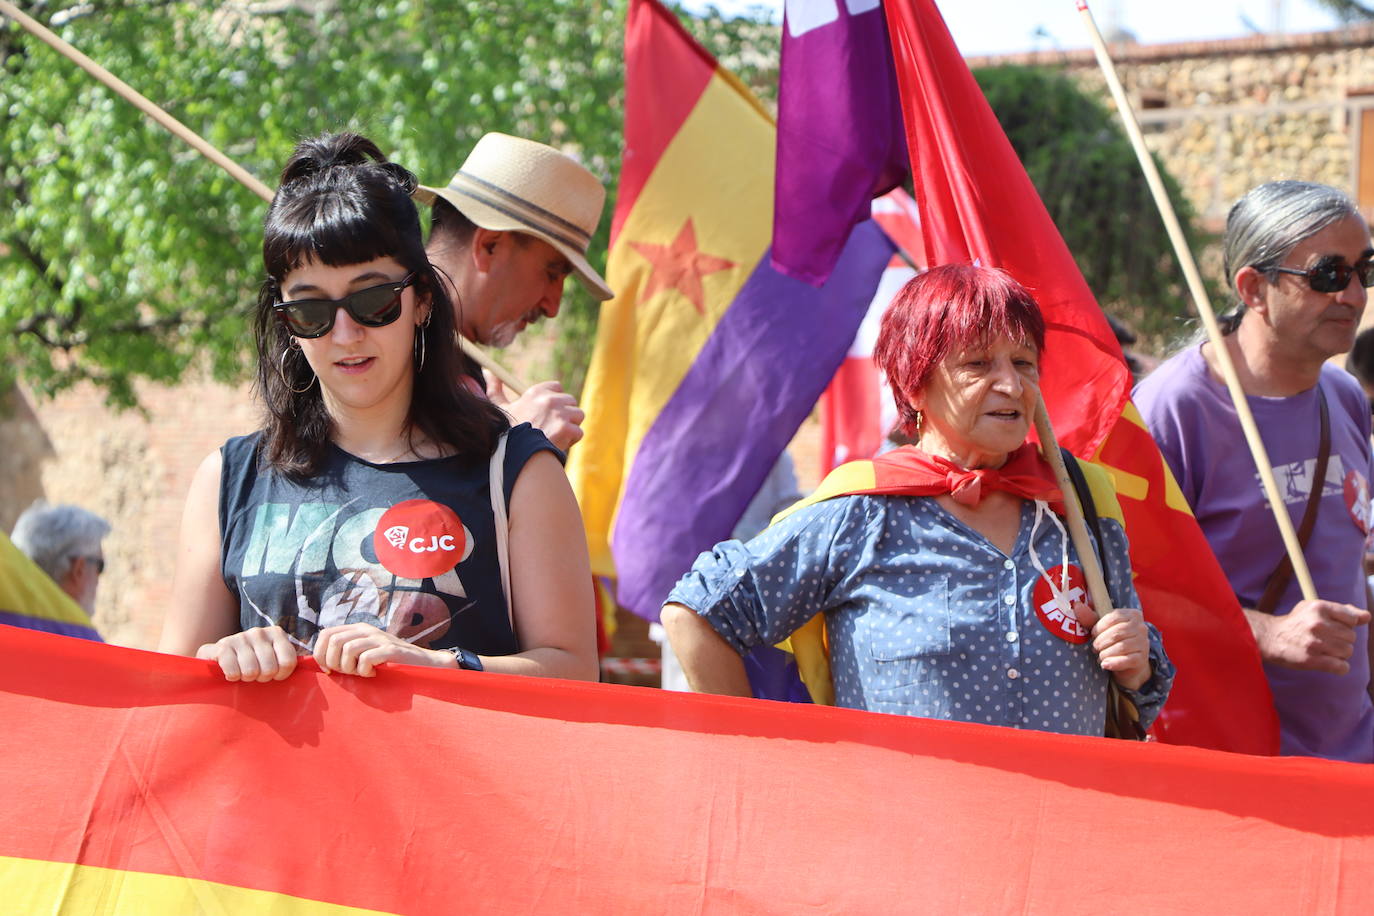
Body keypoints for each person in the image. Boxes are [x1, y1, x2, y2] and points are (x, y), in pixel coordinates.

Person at [159, 132, 597, 683]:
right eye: (311, 309)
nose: (345, 333)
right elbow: (169, 688)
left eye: (373, 300)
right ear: (287, 325)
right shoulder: (228, 478)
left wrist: (435, 664)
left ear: (421, 302)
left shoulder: (518, 472)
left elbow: (574, 675)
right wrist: (221, 659)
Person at [662, 265, 1173, 736]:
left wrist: (1138, 665)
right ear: (915, 383)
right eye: (978, 364)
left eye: (1024, 362)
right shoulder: (860, 511)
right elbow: (697, 614)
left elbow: (1135, 700)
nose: (1011, 384)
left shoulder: (1079, 502)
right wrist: (752, 759)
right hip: (905, 831)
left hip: (1068, 827)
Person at [1135, 179, 1374, 762]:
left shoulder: (1343, 396)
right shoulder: (1171, 409)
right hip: (1226, 761)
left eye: (1365, 269)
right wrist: (1268, 634)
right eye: (1327, 274)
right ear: (1253, 287)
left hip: (1349, 752)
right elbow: (1126, 589)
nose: (1353, 293)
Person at [416, 132, 613, 451]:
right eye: (551, 272)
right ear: (489, 245)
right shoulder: (385, 344)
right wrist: (516, 448)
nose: (553, 307)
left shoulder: (444, 352)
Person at [11, 501, 109, 619]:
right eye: (100, 566)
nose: (98, 578)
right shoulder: (75, 634)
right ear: (79, 569)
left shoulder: (9, 625)